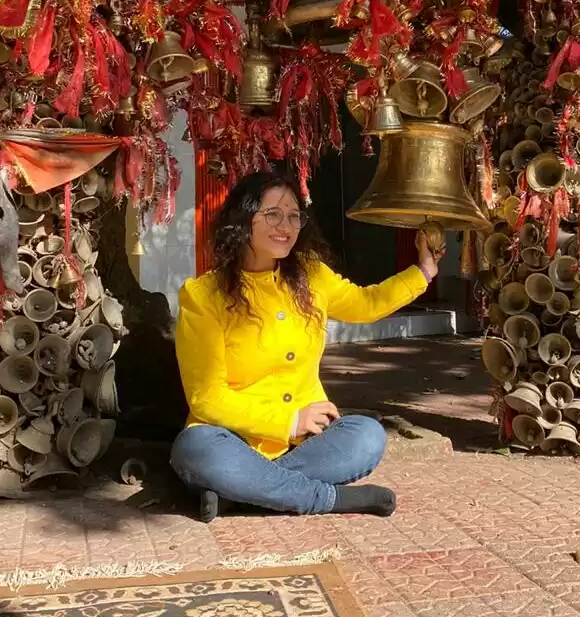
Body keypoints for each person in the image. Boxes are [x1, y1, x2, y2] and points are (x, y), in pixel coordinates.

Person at [171, 171, 442, 522]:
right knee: (195, 449)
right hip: (231, 439)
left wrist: (423, 271)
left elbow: (367, 303)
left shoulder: (311, 276)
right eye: (272, 214)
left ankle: (240, 493)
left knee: (367, 435)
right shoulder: (203, 296)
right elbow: (206, 397)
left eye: (294, 215)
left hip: (304, 445)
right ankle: (325, 498)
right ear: (243, 220)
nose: (285, 224)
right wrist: (288, 420)